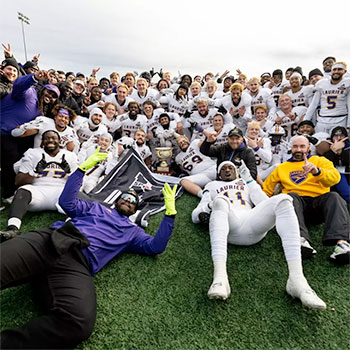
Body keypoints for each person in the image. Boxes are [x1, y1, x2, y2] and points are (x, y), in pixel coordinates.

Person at [0, 148, 177, 349]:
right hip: (49, 241)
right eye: (125, 198)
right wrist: (80, 171)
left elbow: (155, 247)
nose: (127, 201)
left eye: (132, 202)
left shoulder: (133, 232)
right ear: (117, 201)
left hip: (76, 265)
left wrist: (169, 215)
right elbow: (66, 202)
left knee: (78, 324)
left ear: (135, 210)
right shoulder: (97, 207)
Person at [191, 161, 326, 309]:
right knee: (220, 201)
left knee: (284, 200)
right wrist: (207, 210)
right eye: (223, 169)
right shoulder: (211, 185)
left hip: (252, 223)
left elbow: (263, 202)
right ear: (218, 173)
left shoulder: (245, 182)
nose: (227, 170)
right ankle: (220, 278)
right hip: (231, 225)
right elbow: (196, 213)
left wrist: (249, 179)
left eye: (231, 167)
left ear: (236, 171)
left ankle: (297, 281)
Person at [263, 136, 349, 264]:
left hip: (319, 203)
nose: (298, 149)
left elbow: (335, 178)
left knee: (334, 197)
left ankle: (341, 244)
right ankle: (301, 240)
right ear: (290, 149)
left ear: (309, 148)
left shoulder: (319, 161)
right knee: (290, 197)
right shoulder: (282, 168)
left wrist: (317, 171)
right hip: (295, 206)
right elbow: (266, 190)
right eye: (295, 146)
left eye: (302, 146)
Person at [0, 130, 78, 240]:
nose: (50, 140)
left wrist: (69, 173)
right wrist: (34, 172)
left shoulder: (70, 156)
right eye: (47, 138)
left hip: (61, 192)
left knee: (77, 195)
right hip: (38, 191)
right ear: (42, 141)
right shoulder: (33, 153)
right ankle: (12, 228)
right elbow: (18, 181)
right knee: (22, 191)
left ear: (59, 141)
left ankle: (71, 228)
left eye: (53, 138)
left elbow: (78, 184)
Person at [304, 62, 350, 133]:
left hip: (340, 119)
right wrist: (305, 121)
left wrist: (348, 125)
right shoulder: (322, 84)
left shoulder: (347, 83)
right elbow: (313, 105)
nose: (336, 71)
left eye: (339, 69)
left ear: (345, 71)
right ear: (331, 71)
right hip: (322, 120)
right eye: (334, 69)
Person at [321, 126, 350, 203]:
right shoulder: (327, 148)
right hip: (332, 176)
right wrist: (333, 151)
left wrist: (341, 152)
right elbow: (324, 162)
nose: (339, 138)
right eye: (336, 136)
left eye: (341, 136)